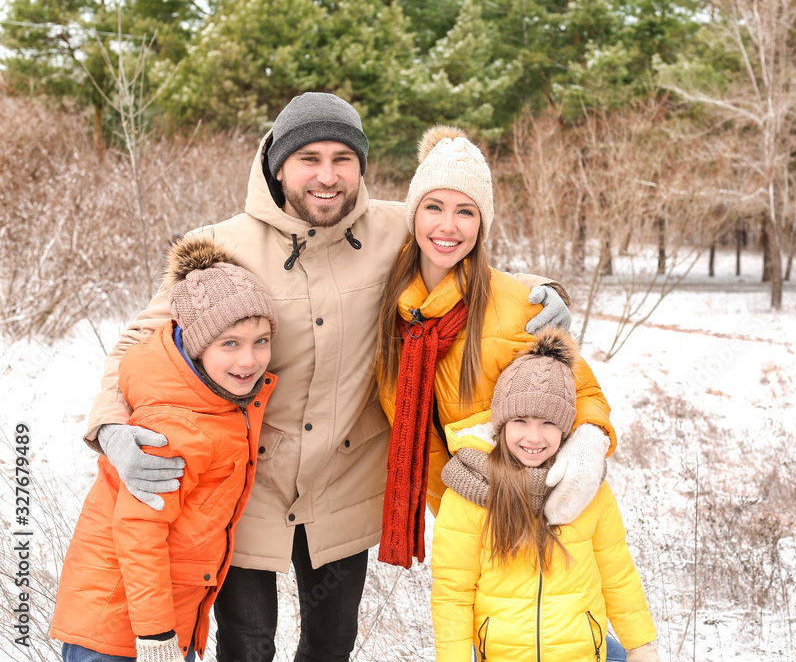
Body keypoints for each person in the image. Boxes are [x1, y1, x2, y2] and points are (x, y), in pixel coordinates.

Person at [83, 92, 573, 662]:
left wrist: (546, 297)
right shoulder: (224, 247)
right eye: (309, 158)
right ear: (278, 166)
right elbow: (138, 342)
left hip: (346, 481)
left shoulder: (396, 231)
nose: (327, 175)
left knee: (331, 644)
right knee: (247, 644)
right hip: (250, 485)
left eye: (343, 158)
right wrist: (111, 428)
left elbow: (464, 258)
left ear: (361, 166)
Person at [375, 125, 616, 569]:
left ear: (482, 224)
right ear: (413, 214)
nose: (448, 226)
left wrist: (587, 443)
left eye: (465, 212)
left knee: (575, 635)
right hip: (463, 521)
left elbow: (581, 394)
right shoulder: (392, 313)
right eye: (434, 207)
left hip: (541, 518)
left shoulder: (519, 307)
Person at [51, 235, 278, 662]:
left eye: (260, 342)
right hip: (123, 631)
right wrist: (157, 636)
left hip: (159, 621)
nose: (249, 360)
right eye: (230, 343)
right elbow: (140, 532)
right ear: (195, 346)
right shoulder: (176, 424)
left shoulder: (216, 400)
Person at [431, 328, 660, 661]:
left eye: (548, 423)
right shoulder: (468, 492)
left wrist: (641, 645)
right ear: (501, 424)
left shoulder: (588, 489)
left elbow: (617, 572)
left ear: (565, 428)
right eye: (520, 420)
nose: (533, 437)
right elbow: (453, 593)